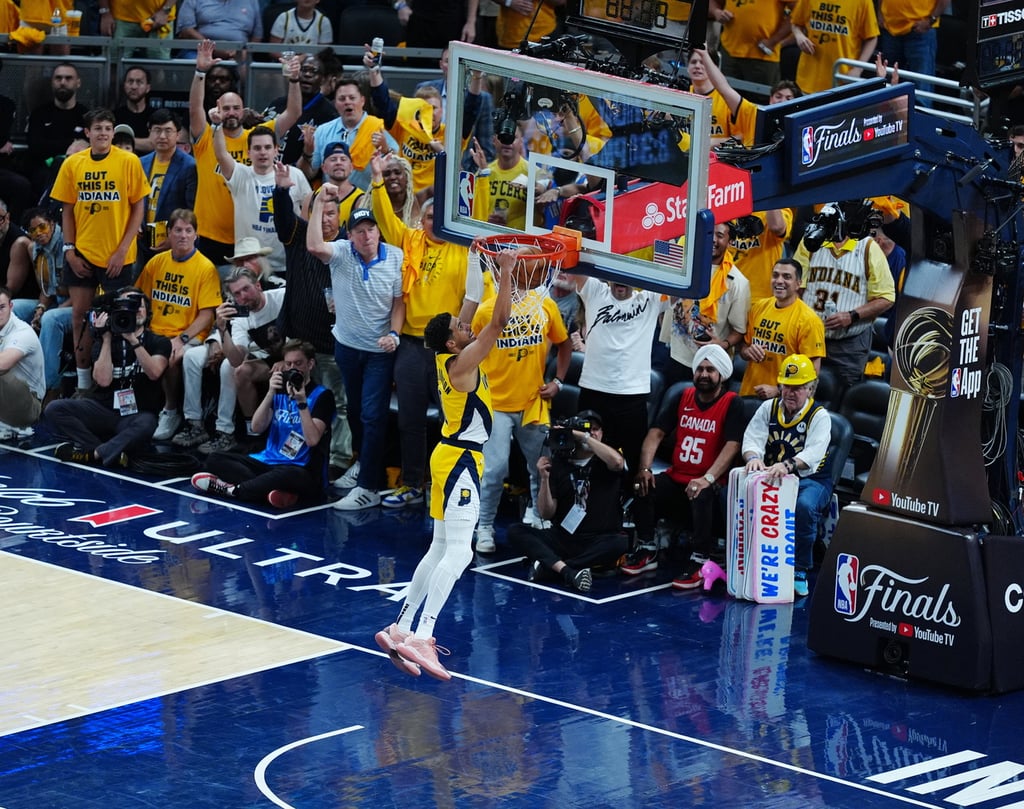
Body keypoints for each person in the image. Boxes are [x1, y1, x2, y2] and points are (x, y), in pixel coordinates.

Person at [374, 245, 513, 681]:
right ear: (453, 341)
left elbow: (470, 302)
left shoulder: (447, 351)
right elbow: (499, 322)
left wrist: (475, 258)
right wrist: (507, 271)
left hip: (447, 455)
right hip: (461, 461)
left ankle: (401, 626)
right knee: (460, 551)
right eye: (460, 326)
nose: (466, 324)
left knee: (438, 548)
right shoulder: (462, 362)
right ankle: (423, 635)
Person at [367, 153, 482, 508]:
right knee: (410, 420)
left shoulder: (464, 250)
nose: (434, 223)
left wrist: (475, 176)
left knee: (453, 420)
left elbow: (475, 295)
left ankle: (451, 485)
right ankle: (413, 484)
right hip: (411, 346)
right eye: (429, 217)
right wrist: (376, 180)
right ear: (421, 219)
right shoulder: (409, 240)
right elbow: (385, 217)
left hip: (447, 350)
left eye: (440, 218)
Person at [307, 199, 405, 510]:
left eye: (371, 229)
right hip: (347, 347)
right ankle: (364, 464)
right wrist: (319, 204)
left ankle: (369, 487)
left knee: (372, 416)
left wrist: (394, 334)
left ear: (379, 232)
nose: (366, 236)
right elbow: (313, 246)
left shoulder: (396, 257)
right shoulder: (341, 252)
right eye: (359, 231)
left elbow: (399, 303)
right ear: (350, 236)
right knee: (353, 411)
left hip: (379, 352)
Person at [471, 251, 571, 552]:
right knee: (494, 470)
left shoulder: (546, 305)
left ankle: (539, 518)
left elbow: (564, 344)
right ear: (516, 272)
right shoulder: (486, 311)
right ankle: (484, 526)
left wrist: (558, 381)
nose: (540, 275)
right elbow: (471, 352)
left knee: (540, 467)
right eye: (535, 269)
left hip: (532, 402)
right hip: (495, 403)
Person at [621, 345, 745, 588]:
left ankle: (700, 558)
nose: (704, 374)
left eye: (710, 370)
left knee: (701, 492)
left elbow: (733, 445)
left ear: (721, 375)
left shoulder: (733, 402)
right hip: (678, 476)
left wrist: (707, 478)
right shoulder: (683, 396)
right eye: (700, 369)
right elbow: (656, 433)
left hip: (711, 482)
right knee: (641, 483)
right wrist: (645, 469)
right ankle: (647, 548)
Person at [49, 107, 151, 396]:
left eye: (108, 128)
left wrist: (122, 249)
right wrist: (70, 251)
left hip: (118, 256)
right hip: (82, 252)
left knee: (120, 319)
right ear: (88, 132)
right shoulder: (73, 164)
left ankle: (117, 385)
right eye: (98, 128)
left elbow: (138, 209)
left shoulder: (129, 161)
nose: (104, 133)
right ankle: (83, 384)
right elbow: (67, 210)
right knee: (80, 317)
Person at [272, 159, 354, 477]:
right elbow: (282, 220)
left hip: (334, 345)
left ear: (339, 217)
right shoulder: (299, 237)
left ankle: (339, 459)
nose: (325, 219)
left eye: (331, 213)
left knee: (340, 403)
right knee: (296, 399)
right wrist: (281, 190)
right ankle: (294, 452)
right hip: (299, 341)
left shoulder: (348, 246)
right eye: (319, 212)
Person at [189, 40, 302, 268]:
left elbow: (294, 112)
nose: (231, 113)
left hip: (250, 239)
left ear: (244, 111)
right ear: (217, 109)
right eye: (226, 108)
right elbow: (194, 109)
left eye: (236, 108)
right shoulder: (207, 137)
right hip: (210, 234)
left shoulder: (258, 139)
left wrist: (293, 80)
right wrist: (200, 72)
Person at [191, 339, 335, 508]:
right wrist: (270, 392)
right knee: (215, 459)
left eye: (298, 363)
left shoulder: (323, 396)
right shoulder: (279, 390)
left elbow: (312, 440)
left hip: (300, 468)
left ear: (310, 364)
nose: (293, 368)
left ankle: (233, 490)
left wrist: (302, 403)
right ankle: (273, 491)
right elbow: (256, 427)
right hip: (269, 461)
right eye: (288, 364)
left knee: (287, 475)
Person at [741, 353, 834, 597]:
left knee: (804, 507)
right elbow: (752, 438)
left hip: (811, 480)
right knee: (734, 493)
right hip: (773, 476)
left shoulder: (819, 416)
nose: (791, 393)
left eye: (798, 388)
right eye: (787, 387)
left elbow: (813, 454)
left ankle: (800, 569)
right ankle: (744, 558)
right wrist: (753, 458)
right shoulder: (768, 408)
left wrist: (788, 465)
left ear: (810, 389)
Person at [509, 409, 629, 593]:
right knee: (515, 531)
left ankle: (553, 568)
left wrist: (584, 436)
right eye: (587, 429)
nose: (592, 433)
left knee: (621, 543)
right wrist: (544, 479)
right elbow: (546, 513)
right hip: (564, 537)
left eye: (596, 429)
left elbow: (618, 463)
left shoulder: (606, 460)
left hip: (598, 539)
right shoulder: (559, 463)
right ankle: (568, 571)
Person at [48, 288, 171, 467]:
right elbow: (103, 380)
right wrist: (106, 339)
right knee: (55, 409)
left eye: (139, 306)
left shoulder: (159, 342)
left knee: (147, 424)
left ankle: (93, 454)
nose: (135, 310)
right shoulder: (105, 340)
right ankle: (108, 450)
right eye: (127, 306)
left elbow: (154, 373)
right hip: (103, 410)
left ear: (147, 312)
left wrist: (133, 340)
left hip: (136, 414)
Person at [174, 265, 285, 453]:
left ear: (258, 286)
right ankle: (252, 433)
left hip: (298, 354)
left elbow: (303, 331)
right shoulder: (241, 318)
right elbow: (236, 360)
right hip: (269, 358)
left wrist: (287, 359)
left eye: (246, 289)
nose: (243, 297)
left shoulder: (281, 297)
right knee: (240, 371)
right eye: (237, 294)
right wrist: (222, 329)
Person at [135, 208, 223, 441]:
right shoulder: (156, 262)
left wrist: (181, 339)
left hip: (188, 334)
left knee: (171, 356)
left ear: (196, 235)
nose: (183, 235)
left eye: (188, 230)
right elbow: (140, 298)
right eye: (178, 230)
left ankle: (171, 410)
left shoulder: (205, 268)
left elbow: (207, 315)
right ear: (169, 234)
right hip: (155, 329)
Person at [794, 200, 895, 393]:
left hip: (849, 344)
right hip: (810, 338)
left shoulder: (868, 248)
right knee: (800, 392)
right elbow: (796, 289)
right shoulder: (811, 242)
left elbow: (886, 297)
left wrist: (852, 315)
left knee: (843, 395)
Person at [570, 275, 662, 484]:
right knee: (587, 459)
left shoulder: (650, 299)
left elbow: (680, 283)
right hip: (594, 392)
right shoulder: (595, 290)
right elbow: (577, 264)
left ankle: (633, 504)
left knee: (635, 468)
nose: (621, 282)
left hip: (633, 397)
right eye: (617, 277)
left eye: (627, 278)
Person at [213, 122, 310, 279]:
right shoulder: (241, 175)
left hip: (289, 262)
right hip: (251, 264)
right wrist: (217, 126)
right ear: (249, 152)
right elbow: (221, 155)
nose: (263, 152)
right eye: (257, 148)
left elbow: (309, 207)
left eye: (267, 147)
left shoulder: (294, 174)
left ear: (276, 150)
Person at [661, 220, 750, 387]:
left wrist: (722, 344)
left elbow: (739, 330)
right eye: (710, 233)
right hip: (674, 355)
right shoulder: (683, 265)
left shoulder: (737, 282)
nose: (713, 239)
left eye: (720, 235)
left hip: (711, 365)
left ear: (730, 242)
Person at [739, 258, 825, 398]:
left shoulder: (810, 320)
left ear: (798, 284)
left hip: (784, 401)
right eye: (775, 275)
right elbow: (743, 348)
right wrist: (748, 351)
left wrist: (778, 390)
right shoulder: (759, 307)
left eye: (787, 277)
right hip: (749, 392)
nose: (779, 281)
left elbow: (813, 373)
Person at [300, 76, 398, 191]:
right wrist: (307, 153)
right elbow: (309, 174)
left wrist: (386, 150)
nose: (347, 102)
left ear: (362, 101)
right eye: (342, 99)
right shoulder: (323, 131)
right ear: (335, 104)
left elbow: (399, 167)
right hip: (332, 198)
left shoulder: (377, 128)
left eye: (352, 98)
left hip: (369, 198)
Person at [139, 109, 198, 266]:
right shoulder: (140, 163)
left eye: (168, 131)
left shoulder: (189, 166)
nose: (162, 136)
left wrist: (174, 238)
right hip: (141, 242)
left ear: (177, 135)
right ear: (150, 132)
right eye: (157, 130)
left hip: (173, 244)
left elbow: (192, 210)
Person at [790, 0, 879, 95]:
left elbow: (872, 37)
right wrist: (799, 36)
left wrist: (858, 68)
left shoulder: (863, 2)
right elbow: (795, 23)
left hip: (841, 79)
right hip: (809, 77)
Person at [25, 62, 86, 192]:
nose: (63, 82)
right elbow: (35, 146)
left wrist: (51, 145)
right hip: (44, 172)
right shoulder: (39, 113)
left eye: (68, 78)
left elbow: (88, 148)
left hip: (77, 172)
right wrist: (72, 142)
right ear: (52, 82)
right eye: (58, 78)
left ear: (78, 83)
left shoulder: (86, 115)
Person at [711, 0, 789, 87]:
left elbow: (796, 14)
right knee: (724, 92)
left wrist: (773, 41)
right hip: (729, 51)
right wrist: (716, 12)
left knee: (761, 94)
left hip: (762, 55)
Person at [0, 286, 45, 434]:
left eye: (1, 307)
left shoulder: (22, 332)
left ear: (11, 306)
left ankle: (15, 428)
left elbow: (3, 364)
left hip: (29, 405)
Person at [877, 0, 947, 95]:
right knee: (888, 82)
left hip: (920, 31)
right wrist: (880, 13)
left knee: (921, 85)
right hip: (890, 28)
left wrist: (931, 19)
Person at [175, 0, 262, 59]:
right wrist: (212, 49)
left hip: (239, 54)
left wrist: (244, 53)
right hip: (199, 51)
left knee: (250, 72)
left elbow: (257, 35)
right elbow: (186, 30)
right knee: (193, 64)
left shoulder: (251, 1)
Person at [101, 0, 176, 58]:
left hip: (158, 19)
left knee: (158, 65)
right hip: (121, 18)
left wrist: (165, 11)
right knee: (113, 63)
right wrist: (105, 13)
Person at [113, 67, 156, 153]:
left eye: (139, 82)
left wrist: (122, 141)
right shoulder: (114, 116)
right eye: (130, 81)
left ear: (148, 88)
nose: (134, 86)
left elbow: (154, 144)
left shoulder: (156, 116)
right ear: (124, 85)